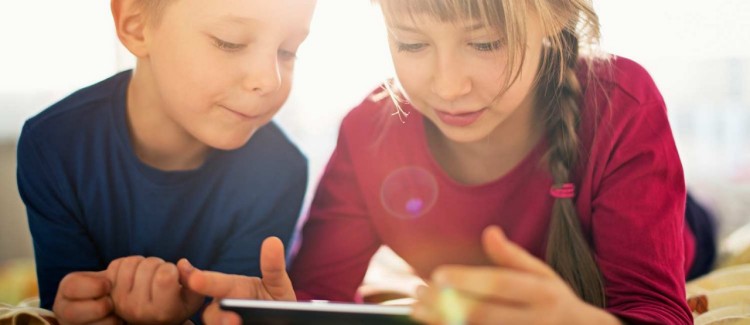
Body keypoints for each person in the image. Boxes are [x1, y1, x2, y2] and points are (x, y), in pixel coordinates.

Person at [180, 0, 710, 323]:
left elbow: (654, 307)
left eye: (483, 43)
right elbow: (319, 292)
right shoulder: (369, 134)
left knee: (696, 231)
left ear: (554, 16)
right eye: (411, 44)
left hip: (679, 230)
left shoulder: (620, 101)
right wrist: (281, 311)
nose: (448, 86)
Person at [16, 0, 317, 323]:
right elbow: (62, 304)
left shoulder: (281, 171)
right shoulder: (54, 144)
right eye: (230, 41)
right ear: (136, 25)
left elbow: (234, 312)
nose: (269, 80)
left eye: (287, 51)